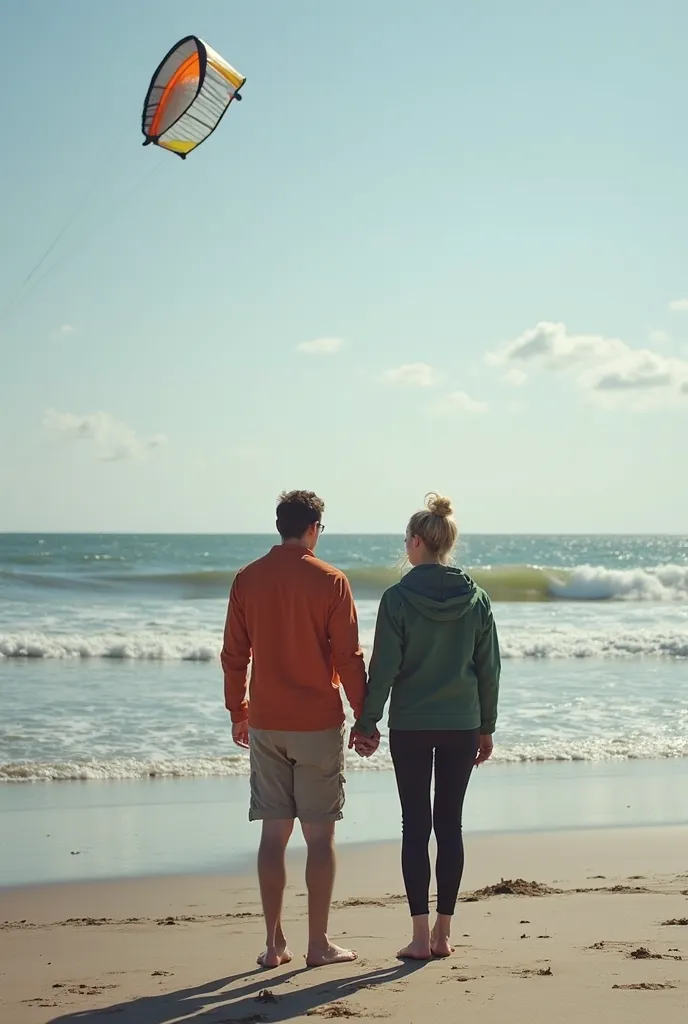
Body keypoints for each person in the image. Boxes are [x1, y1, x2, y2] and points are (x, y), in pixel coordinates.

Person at [222, 490, 374, 969]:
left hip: (267, 722)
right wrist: (365, 715)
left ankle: (274, 945)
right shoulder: (331, 580)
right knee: (320, 839)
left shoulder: (248, 578)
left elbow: (234, 655)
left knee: (273, 835)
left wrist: (238, 711)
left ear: (279, 526)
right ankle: (318, 944)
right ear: (313, 528)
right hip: (316, 723)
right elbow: (349, 658)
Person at [350, 493, 500, 960]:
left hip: (412, 726)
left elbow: (385, 668)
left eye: (406, 540)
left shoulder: (396, 599)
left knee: (414, 826)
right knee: (449, 824)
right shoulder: (476, 599)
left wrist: (367, 721)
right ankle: (444, 933)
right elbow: (489, 669)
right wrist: (486, 726)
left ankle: (418, 937)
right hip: (461, 725)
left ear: (417, 541)